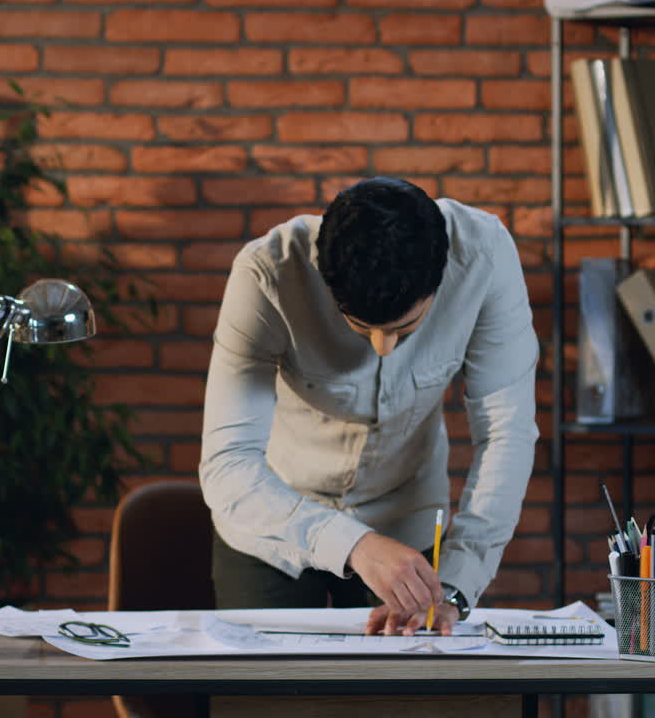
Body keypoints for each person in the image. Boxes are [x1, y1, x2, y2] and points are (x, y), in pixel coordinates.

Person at [199, 177, 538, 636]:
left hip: (408, 520)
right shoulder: (265, 274)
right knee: (264, 700)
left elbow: (506, 433)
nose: (383, 348)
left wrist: (457, 585)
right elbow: (227, 462)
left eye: (407, 327)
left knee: (401, 703)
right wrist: (353, 544)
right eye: (361, 326)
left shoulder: (484, 257)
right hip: (272, 523)